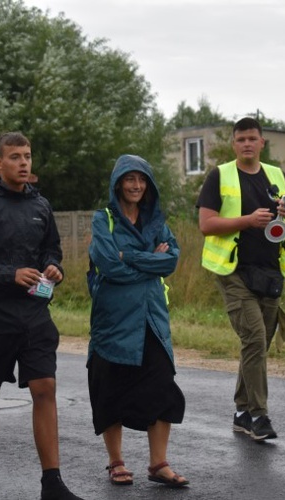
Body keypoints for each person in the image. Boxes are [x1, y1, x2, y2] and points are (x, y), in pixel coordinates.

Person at [0, 132, 84, 500]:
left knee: (45, 388)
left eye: (27, 155)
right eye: (15, 157)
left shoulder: (41, 205)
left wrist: (53, 267)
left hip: (34, 313)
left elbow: (51, 249)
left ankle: (52, 482)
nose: (24, 163)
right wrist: (9, 274)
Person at [196, 117, 285, 441]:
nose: (247, 143)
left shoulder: (277, 175)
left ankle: (242, 412)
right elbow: (206, 224)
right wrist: (247, 220)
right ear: (234, 143)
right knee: (255, 338)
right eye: (241, 139)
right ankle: (259, 416)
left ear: (262, 143)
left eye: (252, 138)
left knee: (256, 345)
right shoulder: (220, 175)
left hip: (271, 274)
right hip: (232, 272)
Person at [87, 154, 189, 488]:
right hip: (113, 320)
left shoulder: (156, 221)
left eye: (142, 179)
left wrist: (128, 255)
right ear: (118, 183)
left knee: (162, 387)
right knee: (110, 388)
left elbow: (171, 260)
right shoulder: (104, 219)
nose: (136, 186)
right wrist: (148, 260)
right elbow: (107, 263)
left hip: (151, 318)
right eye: (130, 179)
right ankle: (116, 462)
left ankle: (158, 463)